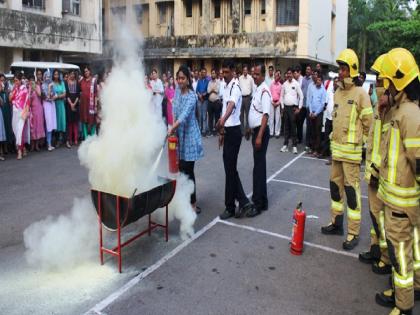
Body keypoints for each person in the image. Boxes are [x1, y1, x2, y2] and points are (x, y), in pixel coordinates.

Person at [374, 48, 420, 315]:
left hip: (402, 203)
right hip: (395, 199)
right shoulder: (399, 110)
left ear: (399, 82)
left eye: (387, 82)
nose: (383, 87)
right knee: (401, 253)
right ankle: (404, 292)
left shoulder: (410, 114)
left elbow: (419, 159)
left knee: (400, 255)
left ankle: (404, 307)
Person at [321, 48, 373, 250]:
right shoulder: (337, 93)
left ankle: (353, 232)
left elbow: (369, 125)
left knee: (352, 194)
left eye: (344, 69)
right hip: (337, 154)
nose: (340, 72)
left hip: (351, 156)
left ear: (351, 70)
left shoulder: (360, 94)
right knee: (335, 189)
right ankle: (336, 223)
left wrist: (364, 148)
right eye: (340, 68)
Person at [217, 59, 255, 220]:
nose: (223, 75)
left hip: (234, 131)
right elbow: (223, 107)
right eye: (222, 72)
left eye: (226, 72)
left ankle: (231, 207)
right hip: (227, 131)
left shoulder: (235, 87)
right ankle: (243, 202)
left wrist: (223, 121)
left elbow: (231, 105)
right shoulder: (225, 86)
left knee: (230, 170)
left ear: (233, 72)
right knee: (230, 170)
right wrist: (221, 132)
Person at [168, 65, 203, 213]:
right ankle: (185, 200)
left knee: (188, 170)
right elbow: (175, 111)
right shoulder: (176, 92)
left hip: (190, 137)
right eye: (178, 78)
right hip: (180, 137)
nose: (180, 81)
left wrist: (172, 128)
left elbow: (183, 116)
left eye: (183, 78)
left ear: (188, 80)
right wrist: (173, 130)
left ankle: (193, 203)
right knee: (181, 170)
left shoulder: (192, 96)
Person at [247, 63, 271, 216]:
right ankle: (263, 201)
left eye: (256, 74)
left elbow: (266, 115)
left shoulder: (264, 90)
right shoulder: (257, 89)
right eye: (253, 74)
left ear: (263, 75)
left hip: (260, 133)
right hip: (255, 131)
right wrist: (250, 128)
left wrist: (259, 136)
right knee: (259, 167)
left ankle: (258, 204)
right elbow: (256, 110)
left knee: (258, 170)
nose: (254, 76)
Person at [280, 68, 303, 154]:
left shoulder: (296, 84)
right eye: (288, 74)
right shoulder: (284, 84)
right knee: (286, 127)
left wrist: (299, 108)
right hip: (286, 108)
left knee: (293, 127)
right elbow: (281, 97)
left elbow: (301, 96)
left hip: (293, 109)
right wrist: (282, 107)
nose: (289, 75)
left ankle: (294, 146)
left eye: (290, 73)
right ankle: (285, 145)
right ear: (286, 75)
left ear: (292, 74)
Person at [9, 73, 29, 160]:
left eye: (17, 80)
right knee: (16, 131)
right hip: (15, 112)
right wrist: (13, 91)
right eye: (14, 80)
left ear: (21, 80)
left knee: (20, 132)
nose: (15, 82)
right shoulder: (14, 89)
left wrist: (26, 113)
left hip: (22, 112)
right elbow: (10, 99)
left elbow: (28, 102)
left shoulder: (24, 89)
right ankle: (23, 148)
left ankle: (19, 152)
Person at [307, 74, 326, 157]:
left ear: (321, 81)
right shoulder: (314, 89)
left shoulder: (323, 91)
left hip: (318, 114)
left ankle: (316, 150)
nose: (317, 81)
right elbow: (310, 101)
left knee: (318, 132)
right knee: (312, 131)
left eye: (319, 80)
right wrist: (311, 111)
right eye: (317, 80)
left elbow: (322, 104)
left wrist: (316, 113)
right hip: (312, 113)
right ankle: (312, 148)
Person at [319, 76, 337, 163]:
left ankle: (332, 156)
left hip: (336, 120)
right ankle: (324, 153)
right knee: (326, 136)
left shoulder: (341, 94)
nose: (335, 84)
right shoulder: (329, 92)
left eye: (337, 82)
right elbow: (326, 104)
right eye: (334, 82)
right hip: (328, 118)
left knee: (333, 139)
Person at [80, 66, 98, 138]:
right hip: (84, 105)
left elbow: (96, 94)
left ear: (90, 71)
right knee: (84, 120)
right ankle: (86, 137)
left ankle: (93, 136)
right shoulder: (82, 81)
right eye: (84, 71)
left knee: (92, 120)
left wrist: (96, 105)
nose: (86, 73)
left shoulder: (94, 80)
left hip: (91, 104)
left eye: (87, 71)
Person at [28, 74, 45, 152]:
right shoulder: (28, 88)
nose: (31, 81)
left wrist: (34, 88)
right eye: (30, 80)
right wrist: (30, 91)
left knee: (38, 126)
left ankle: (37, 145)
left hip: (38, 109)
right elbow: (28, 100)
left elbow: (40, 95)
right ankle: (32, 145)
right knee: (32, 127)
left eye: (32, 80)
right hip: (31, 110)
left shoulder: (37, 86)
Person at [42, 71, 57, 151]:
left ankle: (50, 143)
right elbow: (46, 97)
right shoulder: (43, 85)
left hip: (52, 105)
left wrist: (54, 96)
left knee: (51, 123)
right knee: (48, 123)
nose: (48, 78)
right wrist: (49, 88)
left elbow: (54, 94)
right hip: (46, 105)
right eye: (46, 76)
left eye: (49, 76)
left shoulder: (52, 84)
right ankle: (48, 144)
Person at [65, 70, 80, 147]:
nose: (72, 75)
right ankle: (70, 139)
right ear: (69, 74)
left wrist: (74, 104)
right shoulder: (66, 83)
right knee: (70, 123)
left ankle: (76, 139)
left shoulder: (77, 83)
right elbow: (67, 95)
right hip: (68, 104)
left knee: (75, 122)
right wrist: (71, 104)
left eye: (73, 74)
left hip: (76, 104)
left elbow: (78, 95)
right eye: (71, 74)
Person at [52, 69, 66, 147]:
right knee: (56, 121)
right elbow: (50, 94)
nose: (56, 76)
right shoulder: (52, 83)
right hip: (54, 105)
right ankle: (56, 140)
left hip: (61, 104)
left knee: (61, 120)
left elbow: (64, 94)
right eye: (55, 74)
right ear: (53, 75)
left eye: (57, 74)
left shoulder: (62, 83)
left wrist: (58, 96)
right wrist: (56, 96)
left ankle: (61, 139)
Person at [238, 65, 253, 135]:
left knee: (248, 115)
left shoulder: (250, 78)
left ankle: (248, 130)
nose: (245, 71)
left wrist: (250, 97)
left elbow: (252, 88)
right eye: (244, 70)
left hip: (247, 98)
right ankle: (242, 131)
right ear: (242, 71)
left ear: (248, 71)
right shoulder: (240, 78)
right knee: (241, 115)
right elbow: (239, 88)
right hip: (241, 98)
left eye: (246, 70)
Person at [0, 73, 13, 156]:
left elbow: (10, 101)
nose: (3, 82)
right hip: (1, 112)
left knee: (8, 127)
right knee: (2, 128)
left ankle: (7, 146)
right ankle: (3, 148)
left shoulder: (7, 90)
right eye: (1, 80)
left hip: (7, 111)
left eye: (4, 80)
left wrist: (9, 92)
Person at [301, 65, 312, 148]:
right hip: (302, 105)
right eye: (306, 69)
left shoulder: (312, 80)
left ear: (311, 71)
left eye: (308, 69)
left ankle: (308, 142)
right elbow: (301, 89)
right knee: (300, 122)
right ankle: (299, 138)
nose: (307, 70)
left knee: (308, 125)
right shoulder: (303, 79)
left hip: (308, 106)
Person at [207, 69, 221, 135]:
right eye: (212, 73)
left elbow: (217, 90)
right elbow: (208, 91)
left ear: (216, 74)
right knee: (210, 117)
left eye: (214, 73)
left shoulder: (218, 82)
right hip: (210, 102)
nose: (213, 74)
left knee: (217, 117)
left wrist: (212, 90)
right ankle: (210, 131)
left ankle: (217, 130)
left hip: (216, 102)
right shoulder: (209, 82)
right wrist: (213, 89)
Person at [196, 68, 209, 136]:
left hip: (205, 100)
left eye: (204, 72)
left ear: (206, 73)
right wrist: (200, 95)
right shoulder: (199, 81)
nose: (203, 73)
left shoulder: (208, 81)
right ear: (201, 73)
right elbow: (197, 90)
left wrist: (203, 95)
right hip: (199, 100)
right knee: (199, 116)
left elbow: (208, 90)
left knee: (204, 116)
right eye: (202, 72)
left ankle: (204, 130)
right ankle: (200, 129)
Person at [269, 70, 282, 138]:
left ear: (279, 76)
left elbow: (281, 96)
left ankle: (277, 132)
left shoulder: (280, 86)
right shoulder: (271, 84)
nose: (275, 77)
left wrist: (278, 103)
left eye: (277, 75)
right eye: (275, 75)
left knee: (278, 118)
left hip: (278, 103)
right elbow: (269, 94)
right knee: (271, 118)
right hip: (272, 102)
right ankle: (271, 132)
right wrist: (272, 101)